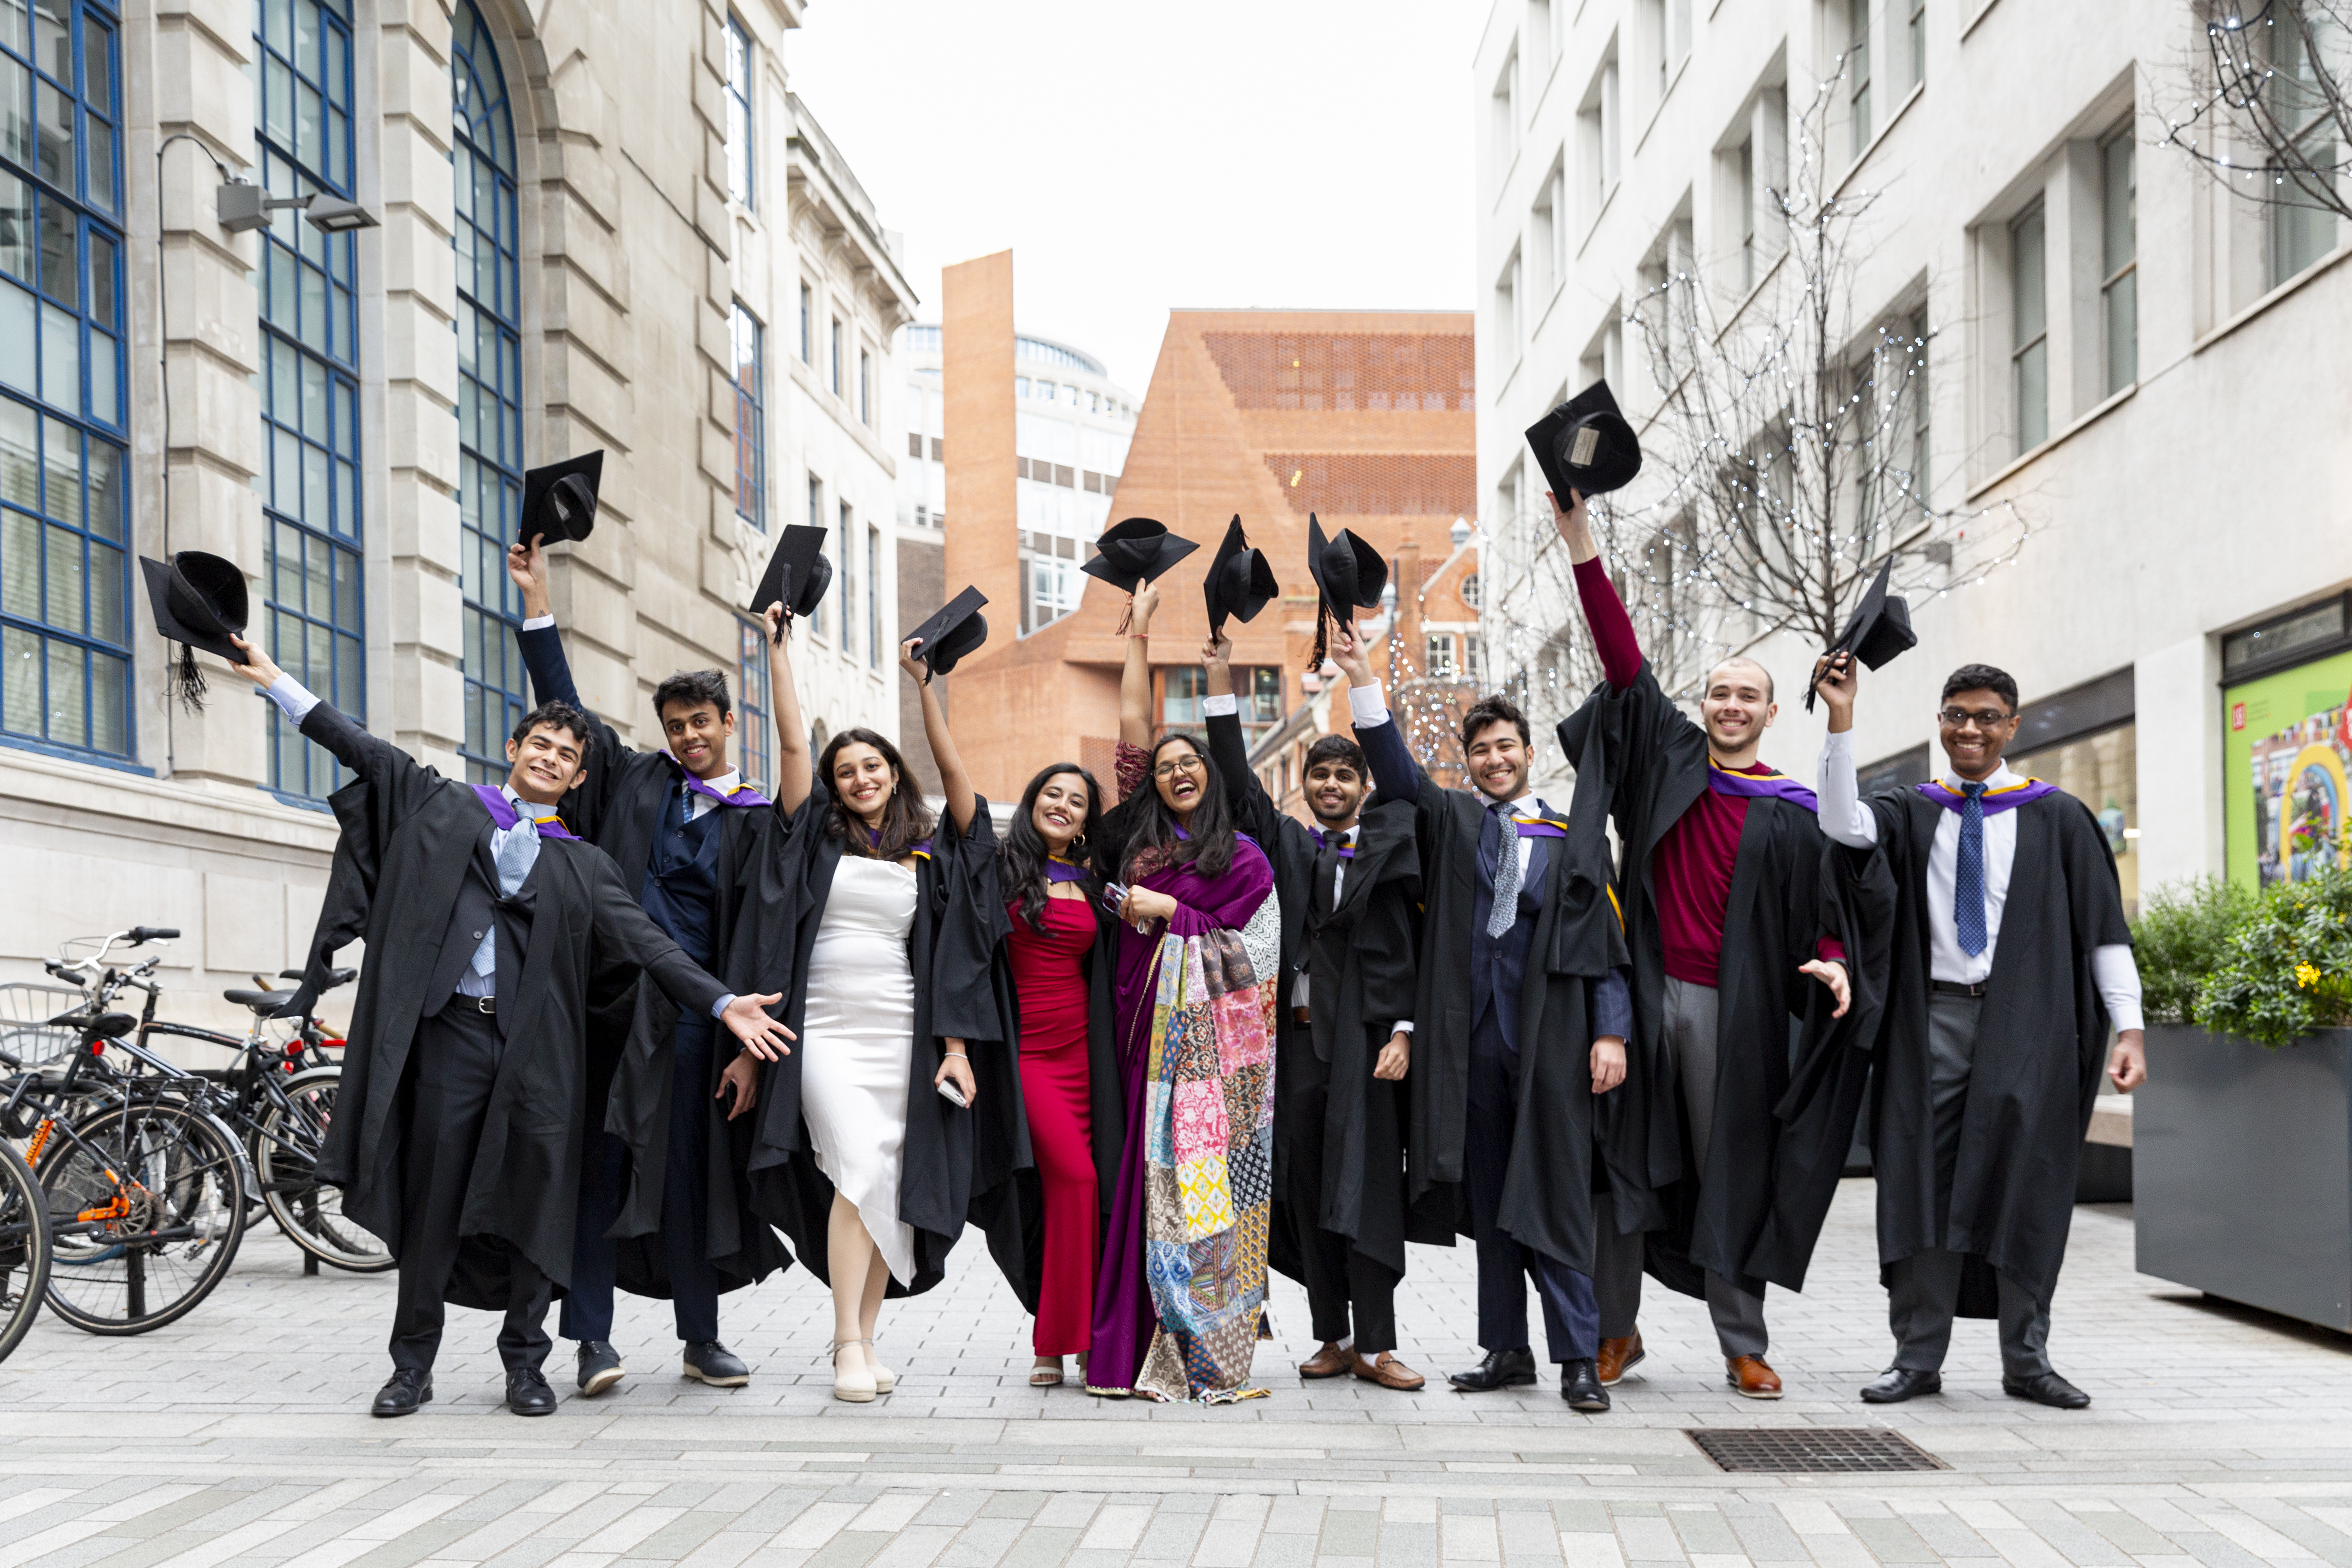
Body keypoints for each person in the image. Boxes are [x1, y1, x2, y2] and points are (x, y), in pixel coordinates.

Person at [235, 638, 793, 1419]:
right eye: (541, 744)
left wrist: (720, 1002)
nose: (552, 758)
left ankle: (525, 1364)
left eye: (567, 754)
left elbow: (651, 945)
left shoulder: (585, 864)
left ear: (580, 775)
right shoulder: (449, 807)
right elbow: (366, 750)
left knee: (539, 1203)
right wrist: (278, 681)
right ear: (514, 749)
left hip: (542, 1054)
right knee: (434, 1204)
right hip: (454, 1040)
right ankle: (411, 1366)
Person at [1551, 489, 1856, 1400]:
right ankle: (1613, 1332)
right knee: (1619, 1163)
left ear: (1770, 713)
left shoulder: (1793, 809)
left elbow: (1832, 903)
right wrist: (1580, 540)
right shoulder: (1666, 760)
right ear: (1700, 704)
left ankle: (1740, 1341)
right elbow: (1619, 655)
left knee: (1734, 1169)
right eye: (1718, 692)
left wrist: (1833, 955)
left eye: (1746, 696)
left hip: (1739, 1009)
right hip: (1642, 998)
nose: (1729, 705)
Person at [1814, 653, 2145, 1409]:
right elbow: (1840, 822)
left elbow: (2104, 933)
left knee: (2027, 1179)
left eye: (1986, 717)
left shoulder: (2057, 816)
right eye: (1956, 714)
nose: (1969, 729)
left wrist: (2128, 1028)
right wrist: (1841, 718)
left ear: (2012, 727)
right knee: (1919, 1182)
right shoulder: (1910, 808)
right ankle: (1916, 1357)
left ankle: (2026, 1361)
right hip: (1931, 1016)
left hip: (2027, 1020)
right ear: (1939, 721)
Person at [504, 535, 786, 1398]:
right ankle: (590, 1340)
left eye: (700, 723)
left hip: (702, 1021)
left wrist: (743, 1043)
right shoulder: (630, 782)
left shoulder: (753, 817)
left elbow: (765, 936)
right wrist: (537, 601)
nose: (687, 737)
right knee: (598, 1169)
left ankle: (700, 1336)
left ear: (727, 724)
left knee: (690, 1179)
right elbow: (567, 710)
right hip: (609, 1009)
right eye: (674, 727)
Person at [1331, 622, 1634, 1413]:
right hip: (1469, 1049)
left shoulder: (1574, 839)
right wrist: (1362, 675)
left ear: (1529, 753)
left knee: (1555, 1196)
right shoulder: (1457, 823)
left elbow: (1603, 945)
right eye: (1480, 751)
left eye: (1506, 747)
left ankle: (1578, 1354)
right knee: (1494, 1199)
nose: (1494, 760)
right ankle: (1507, 1347)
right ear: (1466, 762)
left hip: (1550, 1045)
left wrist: (1611, 1030)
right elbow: (1395, 772)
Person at [742, 605, 1017, 1402]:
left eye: (873, 766)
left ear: (894, 773)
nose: (860, 779)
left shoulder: (927, 852)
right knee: (856, 1167)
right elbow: (793, 745)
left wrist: (925, 688)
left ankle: (862, 1340)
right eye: (846, 771)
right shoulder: (813, 840)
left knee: (879, 1182)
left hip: (898, 1026)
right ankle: (845, 1345)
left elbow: (962, 786)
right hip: (824, 1027)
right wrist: (779, 653)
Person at [1200, 637, 1430, 1391]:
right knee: (1304, 1191)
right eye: (1319, 774)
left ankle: (1380, 1342)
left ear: (1362, 786)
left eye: (1343, 774)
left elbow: (1408, 948)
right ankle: (1330, 1336)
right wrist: (1219, 681)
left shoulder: (1396, 845)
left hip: (1368, 1045)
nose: (1330, 784)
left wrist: (1403, 1031)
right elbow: (1235, 782)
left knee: (1367, 1191)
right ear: (1304, 786)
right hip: (1294, 1049)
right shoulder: (1289, 848)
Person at [1086, 580, 1281, 1403]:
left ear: (1206, 773)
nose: (1171, 774)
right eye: (1162, 769)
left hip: (1204, 1066)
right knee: (1135, 1184)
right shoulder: (1136, 832)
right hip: (1134, 1038)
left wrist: (1172, 913)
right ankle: (1120, 1349)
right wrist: (1138, 635)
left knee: (1193, 1194)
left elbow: (1258, 954)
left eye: (1185, 763)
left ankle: (1198, 1344)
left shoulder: (1240, 856)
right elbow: (1130, 732)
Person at [993, 760, 1118, 1387]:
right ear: (1032, 799)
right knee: (1075, 1179)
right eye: (1053, 793)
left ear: (1086, 820)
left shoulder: (1096, 882)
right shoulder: (1000, 869)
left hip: (1085, 1056)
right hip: (1030, 1055)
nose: (1063, 805)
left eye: (1076, 800)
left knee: (1086, 1194)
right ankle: (1056, 1338)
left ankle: (1080, 1339)